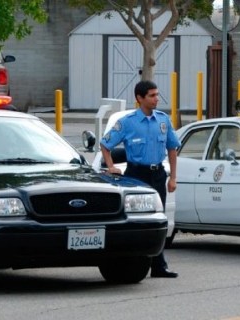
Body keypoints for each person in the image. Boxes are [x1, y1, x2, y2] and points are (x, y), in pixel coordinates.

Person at [100, 80, 180, 278]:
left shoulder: (163, 120)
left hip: (157, 174)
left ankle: (159, 265)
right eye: (152, 95)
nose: (156, 99)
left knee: (158, 218)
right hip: (136, 174)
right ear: (139, 98)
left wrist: (173, 178)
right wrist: (111, 167)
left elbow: (172, 148)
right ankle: (136, 260)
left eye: (157, 95)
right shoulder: (128, 122)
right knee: (138, 220)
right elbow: (105, 144)